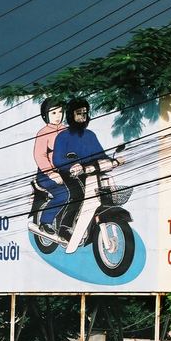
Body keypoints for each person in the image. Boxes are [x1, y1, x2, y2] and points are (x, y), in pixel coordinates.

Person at [51, 98, 112, 236]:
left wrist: (113, 160)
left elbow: (100, 154)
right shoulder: (63, 136)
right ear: (71, 115)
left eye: (85, 113)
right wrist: (73, 165)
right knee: (78, 194)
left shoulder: (90, 135)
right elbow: (57, 159)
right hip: (68, 172)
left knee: (102, 190)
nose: (83, 116)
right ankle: (64, 227)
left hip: (88, 171)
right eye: (79, 113)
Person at [32, 98, 68, 237]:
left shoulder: (67, 131)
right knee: (64, 194)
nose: (58, 116)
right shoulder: (43, 133)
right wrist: (52, 173)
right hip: (46, 174)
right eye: (53, 113)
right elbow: (39, 156)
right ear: (45, 115)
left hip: (68, 172)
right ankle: (46, 222)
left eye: (60, 112)